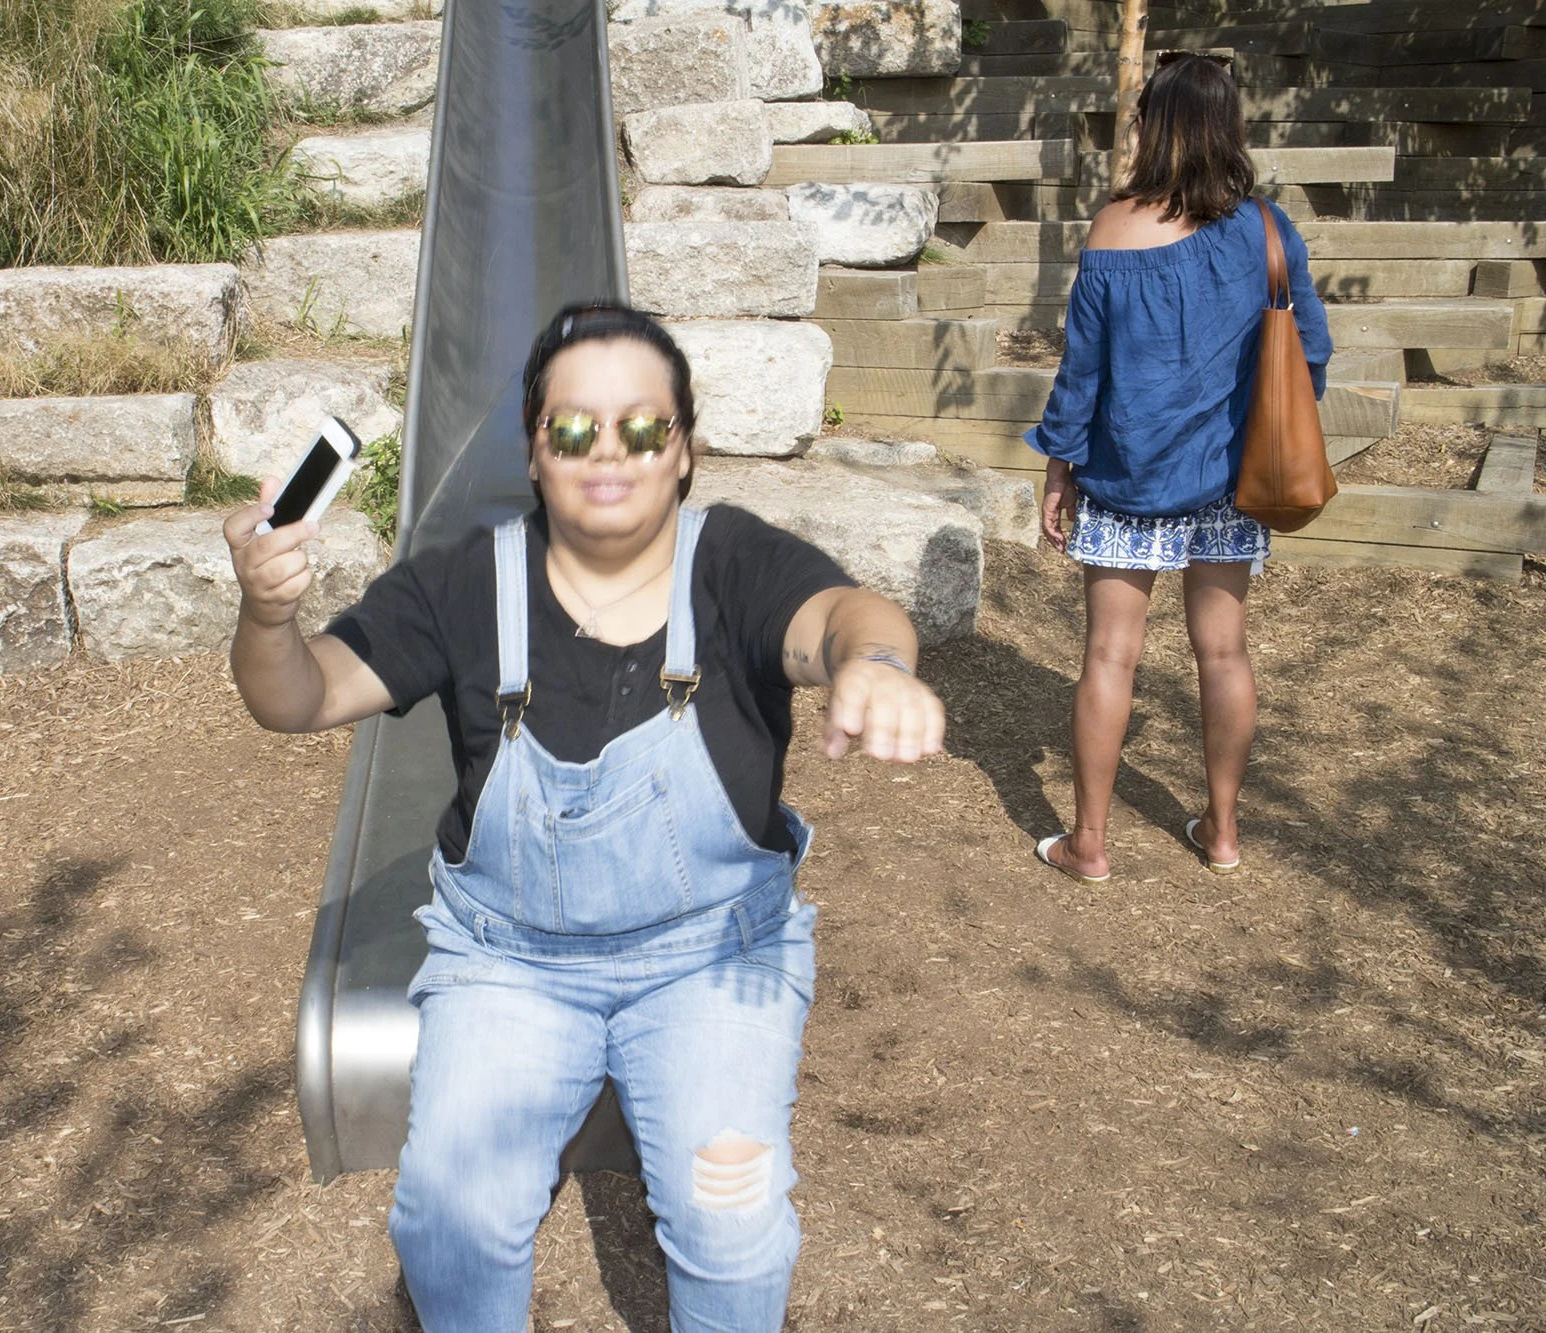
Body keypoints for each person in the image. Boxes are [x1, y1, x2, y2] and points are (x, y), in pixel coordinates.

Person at [222, 301, 946, 1330]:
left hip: (712, 961)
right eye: (572, 428)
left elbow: (841, 616)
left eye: (643, 428)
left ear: (684, 452)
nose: (609, 451)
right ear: (533, 451)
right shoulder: (465, 583)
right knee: (450, 1221)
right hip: (507, 964)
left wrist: (872, 665)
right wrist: (266, 613)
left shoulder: (733, 565)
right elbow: (297, 696)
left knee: (732, 1221)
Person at [1026, 52, 1332, 884]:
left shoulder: (1112, 230)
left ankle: (1089, 844)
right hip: (1233, 481)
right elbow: (1311, 353)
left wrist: (1059, 466)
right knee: (1224, 653)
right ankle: (1222, 832)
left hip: (1126, 478)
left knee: (1108, 657)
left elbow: (1081, 375)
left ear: (1151, 127)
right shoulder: (1268, 230)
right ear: (1229, 126)